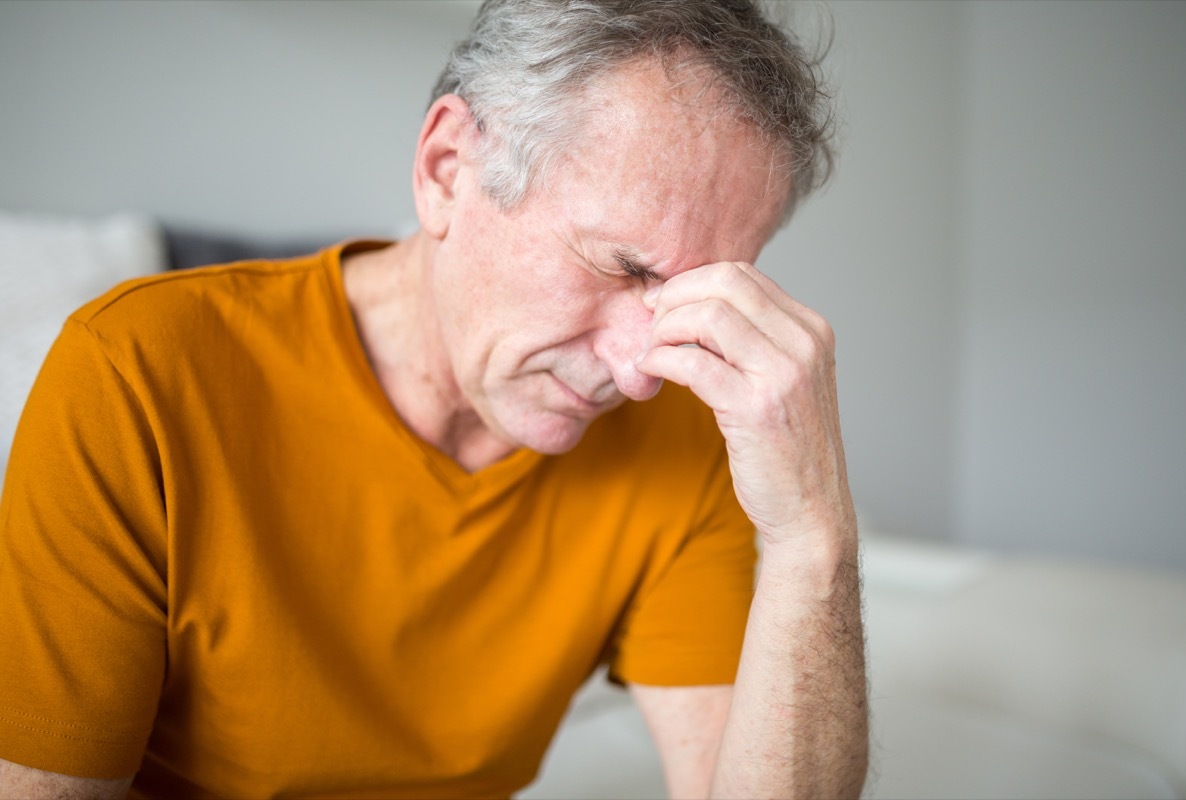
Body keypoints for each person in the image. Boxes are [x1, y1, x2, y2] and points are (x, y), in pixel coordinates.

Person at [0, 0, 867, 797]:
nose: (642, 372)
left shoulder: (683, 435)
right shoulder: (137, 372)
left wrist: (813, 536)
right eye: (622, 267)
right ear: (448, 169)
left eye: (688, 298)